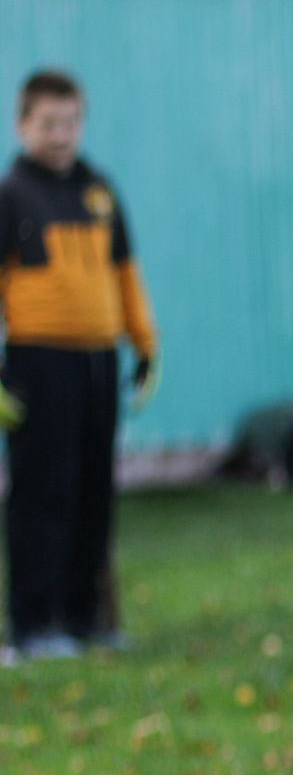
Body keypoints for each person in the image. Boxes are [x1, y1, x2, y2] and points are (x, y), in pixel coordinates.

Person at [0, 69, 157, 663]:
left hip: (99, 362)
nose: (61, 135)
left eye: (71, 123)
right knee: (44, 493)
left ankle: (85, 618)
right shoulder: (11, 194)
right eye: (49, 124)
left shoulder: (99, 191)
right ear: (23, 125)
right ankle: (32, 625)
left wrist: (144, 343)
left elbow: (125, 273)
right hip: (38, 361)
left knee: (94, 492)